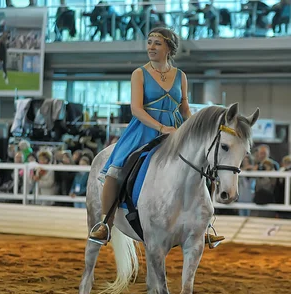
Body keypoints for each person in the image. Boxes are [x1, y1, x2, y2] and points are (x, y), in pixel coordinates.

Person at [89, 27, 224, 247]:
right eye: (149, 42)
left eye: (157, 43)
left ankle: (205, 224)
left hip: (176, 131)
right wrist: (161, 128)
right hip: (144, 129)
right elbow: (136, 109)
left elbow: (184, 108)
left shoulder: (181, 76)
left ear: (169, 48)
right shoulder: (139, 74)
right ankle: (105, 222)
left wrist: (193, 128)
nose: (151, 47)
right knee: (115, 170)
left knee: (203, 169)